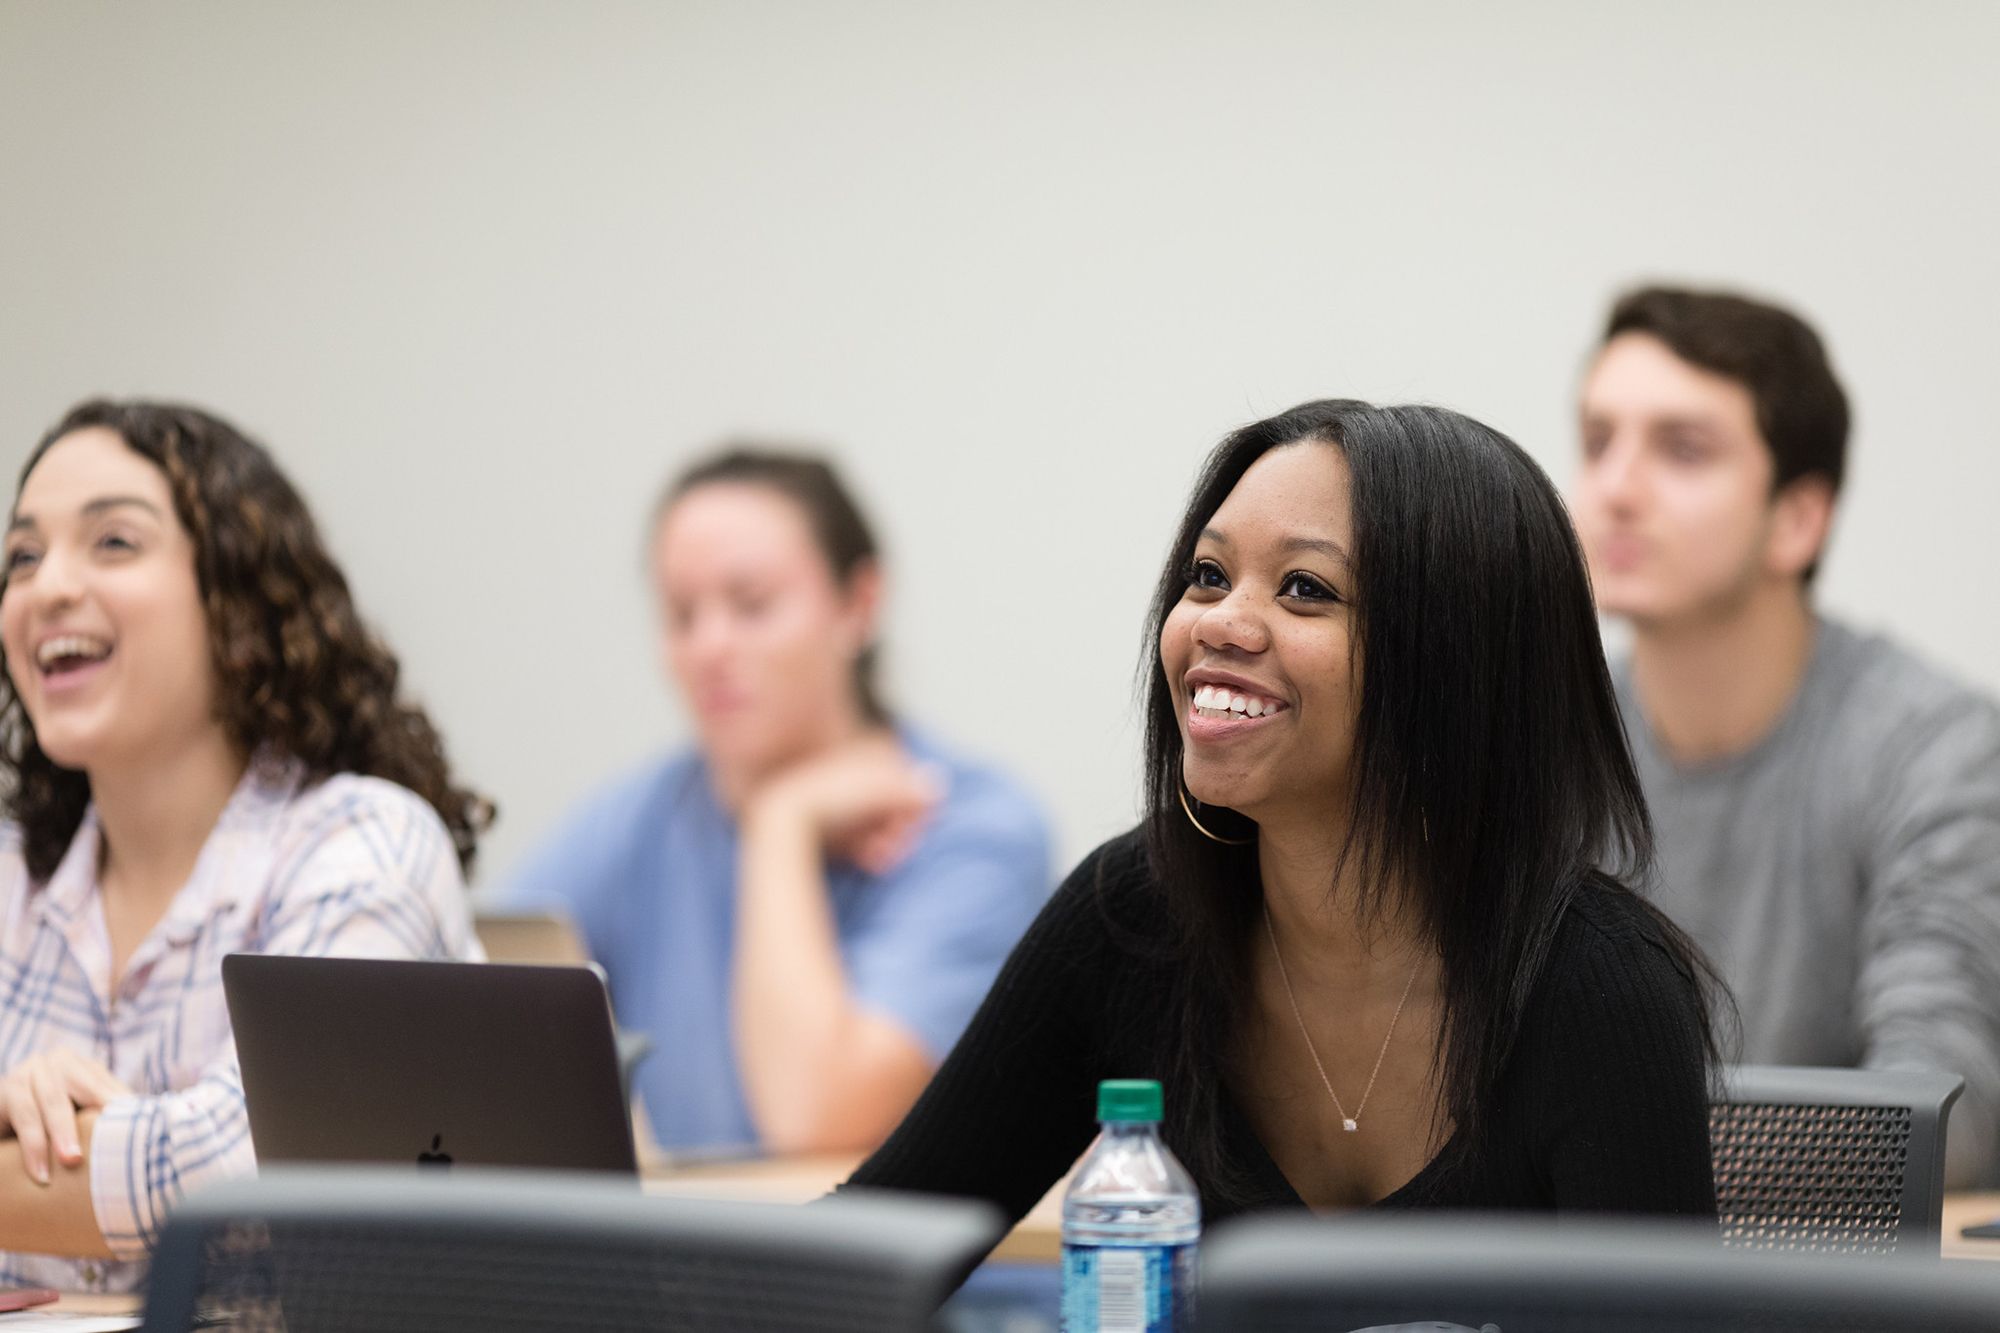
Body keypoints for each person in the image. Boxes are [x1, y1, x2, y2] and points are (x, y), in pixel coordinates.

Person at [847, 399, 1721, 1227]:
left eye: (1304, 588)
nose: (1221, 622)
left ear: (1456, 670)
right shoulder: (1130, 918)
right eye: (1207, 574)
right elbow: (864, 1260)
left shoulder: (1605, 992)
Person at [0, 400, 487, 1293]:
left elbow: (255, 1170)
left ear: (239, 602)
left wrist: (50, 1156)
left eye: (112, 542)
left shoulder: (366, 842)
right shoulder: (8, 879)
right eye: (22, 556)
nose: (47, 587)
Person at [497, 447, 1049, 1155]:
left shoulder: (974, 829)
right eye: (681, 614)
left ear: (858, 603)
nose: (710, 646)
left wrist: (778, 825)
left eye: (751, 605)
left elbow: (815, 1120)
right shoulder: (638, 817)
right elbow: (471, 1008)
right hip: (673, 1257)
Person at [1572, 285, 2000, 1187]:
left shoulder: (1933, 747)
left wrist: (1621, 1162)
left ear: (1799, 518)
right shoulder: (1546, 746)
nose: (1614, 488)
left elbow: (1946, 1108)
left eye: (1682, 450)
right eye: (1599, 441)